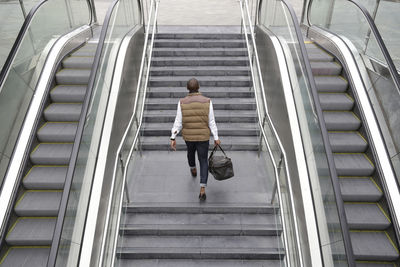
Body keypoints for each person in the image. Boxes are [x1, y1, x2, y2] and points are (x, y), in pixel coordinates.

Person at [170, 78, 220, 201]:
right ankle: (202, 189)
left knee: (190, 153)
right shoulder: (207, 101)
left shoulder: (182, 102)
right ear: (198, 88)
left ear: (188, 89)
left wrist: (173, 137)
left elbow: (178, 121)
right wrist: (216, 137)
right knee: (203, 160)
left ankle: (192, 168)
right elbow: (211, 121)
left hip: (189, 136)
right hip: (203, 136)